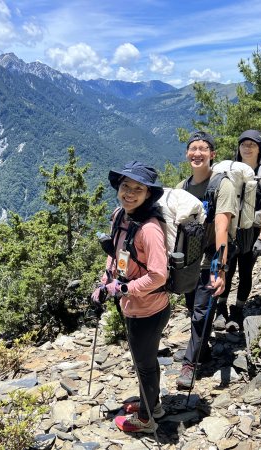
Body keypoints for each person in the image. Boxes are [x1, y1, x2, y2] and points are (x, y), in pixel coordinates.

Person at [91, 161, 171, 434]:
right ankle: (154, 406)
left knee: (145, 365)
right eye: (126, 186)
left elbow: (159, 275)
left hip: (148, 309)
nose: (130, 192)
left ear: (148, 194)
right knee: (143, 361)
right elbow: (116, 254)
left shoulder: (149, 229)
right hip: (133, 306)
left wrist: (123, 289)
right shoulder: (120, 216)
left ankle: (148, 420)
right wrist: (105, 282)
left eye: (138, 188)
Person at [175, 131, 237, 390]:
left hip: (212, 255)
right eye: (193, 149)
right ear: (187, 153)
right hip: (189, 256)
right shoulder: (182, 187)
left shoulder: (223, 185)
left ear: (212, 155)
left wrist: (220, 269)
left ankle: (191, 363)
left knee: (201, 311)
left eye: (203, 149)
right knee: (194, 308)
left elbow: (222, 227)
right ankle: (203, 350)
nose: (197, 153)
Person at [217, 129, 261, 331]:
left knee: (245, 272)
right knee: (226, 268)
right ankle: (220, 308)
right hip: (231, 229)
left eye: (252, 144)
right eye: (244, 144)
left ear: (259, 148)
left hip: (252, 231)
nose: (247, 148)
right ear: (239, 147)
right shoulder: (231, 171)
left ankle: (238, 310)